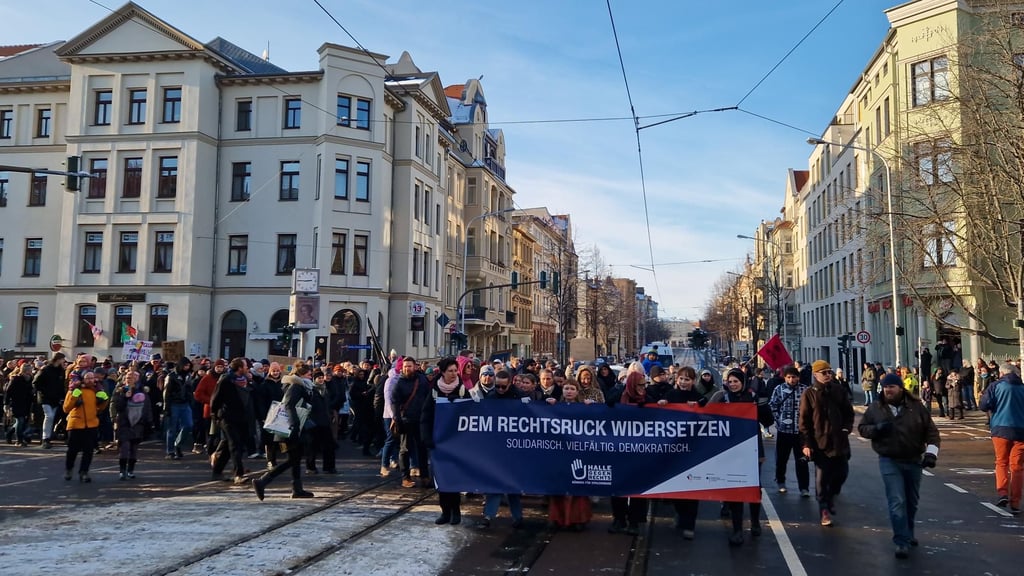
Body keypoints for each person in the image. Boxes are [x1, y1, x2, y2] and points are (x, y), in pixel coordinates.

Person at [858, 372, 940, 558]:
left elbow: (932, 433)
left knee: (911, 501)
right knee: (897, 501)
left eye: (892, 387)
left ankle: (908, 532)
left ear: (901, 388)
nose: (888, 390)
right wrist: (877, 429)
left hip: (913, 460)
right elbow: (862, 429)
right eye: (885, 387)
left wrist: (931, 454)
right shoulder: (876, 408)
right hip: (889, 460)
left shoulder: (916, 407)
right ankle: (901, 541)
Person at [709, 368, 764, 546]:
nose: (732, 384)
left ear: (743, 382)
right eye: (730, 381)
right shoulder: (722, 398)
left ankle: (755, 522)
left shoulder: (753, 396)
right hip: (731, 449)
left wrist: (759, 406)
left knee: (754, 487)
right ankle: (737, 529)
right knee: (735, 488)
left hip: (752, 448)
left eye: (736, 381)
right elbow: (708, 416)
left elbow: (767, 419)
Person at [799, 360, 854, 527]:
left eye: (830, 372)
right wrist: (806, 444)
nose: (828, 375)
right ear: (816, 374)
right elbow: (804, 421)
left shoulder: (838, 390)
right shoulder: (809, 393)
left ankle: (831, 497)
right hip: (820, 443)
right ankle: (823, 510)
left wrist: (846, 429)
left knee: (842, 473)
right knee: (821, 479)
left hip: (839, 441)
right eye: (824, 373)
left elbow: (848, 413)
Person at [253, 363, 316, 500]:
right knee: (292, 459)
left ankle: (297, 489)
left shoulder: (298, 385)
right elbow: (288, 405)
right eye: (309, 373)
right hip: (290, 428)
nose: (311, 376)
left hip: (292, 428)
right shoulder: (296, 386)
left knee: (295, 458)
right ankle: (262, 481)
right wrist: (295, 424)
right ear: (302, 374)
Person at [658, 366, 705, 539]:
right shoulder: (671, 395)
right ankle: (680, 515)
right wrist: (662, 404)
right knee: (676, 487)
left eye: (687, 379)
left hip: (693, 449)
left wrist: (699, 406)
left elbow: (709, 410)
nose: (684, 382)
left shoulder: (698, 396)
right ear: (677, 379)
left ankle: (689, 524)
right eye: (681, 379)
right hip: (674, 448)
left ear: (693, 381)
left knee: (692, 488)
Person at [422, 357, 468, 525]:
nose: (454, 374)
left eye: (455, 370)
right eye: (450, 371)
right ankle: (445, 512)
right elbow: (426, 416)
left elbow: (472, 414)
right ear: (442, 372)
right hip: (438, 442)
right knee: (441, 478)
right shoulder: (434, 391)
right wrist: (427, 437)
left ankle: (456, 511)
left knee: (454, 477)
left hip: (456, 442)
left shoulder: (462, 390)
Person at [476, 369, 525, 529]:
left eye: (503, 386)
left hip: (515, 447)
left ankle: (517, 517)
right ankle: (488, 516)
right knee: (495, 483)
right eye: (497, 386)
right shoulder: (491, 397)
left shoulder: (520, 396)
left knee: (512, 485)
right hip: (497, 447)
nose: (500, 389)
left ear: (510, 384)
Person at [547, 380, 593, 531]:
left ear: (577, 391)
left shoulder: (584, 406)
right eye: (566, 388)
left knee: (577, 485)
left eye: (572, 389)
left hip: (577, 451)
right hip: (559, 452)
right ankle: (558, 517)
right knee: (558, 486)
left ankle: (578, 518)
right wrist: (548, 405)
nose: (569, 391)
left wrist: (590, 407)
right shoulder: (555, 406)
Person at [979, 363, 1024, 515]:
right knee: (1017, 467)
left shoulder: (995, 386)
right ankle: (1015, 502)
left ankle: (1002, 492)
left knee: (1001, 462)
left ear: (1002, 373)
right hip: (1021, 430)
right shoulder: (1022, 388)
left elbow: (984, 405)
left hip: (1000, 428)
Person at [609, 371, 650, 535]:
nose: (642, 388)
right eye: (639, 385)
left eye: (644, 385)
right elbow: (607, 405)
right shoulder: (619, 395)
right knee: (617, 485)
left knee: (637, 486)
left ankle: (634, 521)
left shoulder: (648, 399)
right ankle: (619, 518)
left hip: (640, 451)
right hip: (619, 449)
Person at [210, 358, 253, 484]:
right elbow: (215, 398)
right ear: (239, 368)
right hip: (227, 417)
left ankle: (217, 472)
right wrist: (215, 415)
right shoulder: (226, 380)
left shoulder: (245, 380)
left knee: (229, 446)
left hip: (241, 417)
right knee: (235, 444)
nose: (247, 368)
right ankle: (238, 474)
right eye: (245, 366)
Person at [770, 365, 810, 497]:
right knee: (782, 459)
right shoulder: (779, 389)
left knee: (802, 460)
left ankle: (804, 487)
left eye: (794, 377)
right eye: (789, 377)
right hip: (784, 431)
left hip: (800, 432)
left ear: (798, 377)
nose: (791, 380)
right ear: (785, 378)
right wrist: (779, 420)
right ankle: (781, 481)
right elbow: (773, 405)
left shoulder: (805, 390)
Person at [62, 371, 110, 482]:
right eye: (87, 378)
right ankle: (69, 469)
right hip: (75, 425)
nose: (90, 380)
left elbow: (100, 408)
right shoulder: (74, 389)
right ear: (82, 379)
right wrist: (74, 397)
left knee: (88, 451)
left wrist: (104, 400)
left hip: (91, 424)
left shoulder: (96, 391)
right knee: (72, 450)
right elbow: (66, 408)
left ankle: (84, 472)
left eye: (92, 378)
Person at [391, 357, 431, 488]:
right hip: (406, 420)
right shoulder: (399, 382)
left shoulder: (422, 380)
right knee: (405, 449)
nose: (407, 368)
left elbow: (428, 397)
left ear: (415, 367)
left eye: (409, 366)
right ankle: (405, 478)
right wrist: (397, 419)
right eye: (405, 366)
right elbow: (394, 402)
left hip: (421, 419)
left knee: (422, 448)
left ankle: (425, 476)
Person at [111, 370, 153, 480]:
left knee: (134, 449)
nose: (130, 380)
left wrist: (148, 422)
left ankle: (130, 470)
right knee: (124, 448)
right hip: (124, 423)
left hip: (138, 423)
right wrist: (125, 397)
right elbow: (117, 406)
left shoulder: (142, 392)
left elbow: (147, 407)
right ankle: (122, 471)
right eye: (128, 378)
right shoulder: (120, 391)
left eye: (133, 378)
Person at [163, 357, 195, 460]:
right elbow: (166, 393)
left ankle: (178, 443)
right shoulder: (171, 376)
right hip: (174, 404)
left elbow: (190, 389)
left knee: (188, 425)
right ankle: (170, 451)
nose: (187, 367)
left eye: (188, 366)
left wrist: (190, 400)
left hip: (185, 403)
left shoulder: (188, 375)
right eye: (185, 365)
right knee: (171, 428)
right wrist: (166, 407)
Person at [32, 352, 67, 449]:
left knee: (52, 418)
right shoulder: (46, 369)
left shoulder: (61, 371)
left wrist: (62, 397)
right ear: (58, 359)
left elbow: (61, 385)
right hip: (45, 398)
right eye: (63, 359)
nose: (64, 361)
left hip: (55, 399)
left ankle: (47, 437)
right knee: (49, 416)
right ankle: (45, 438)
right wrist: (43, 392)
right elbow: (36, 382)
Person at [4, 362, 34, 446]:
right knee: (20, 420)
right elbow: (8, 391)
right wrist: (6, 404)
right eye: (29, 370)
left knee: (21, 422)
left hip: (26, 403)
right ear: (25, 371)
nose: (30, 372)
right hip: (16, 402)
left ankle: (9, 433)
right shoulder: (16, 379)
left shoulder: (30, 379)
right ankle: (19, 440)